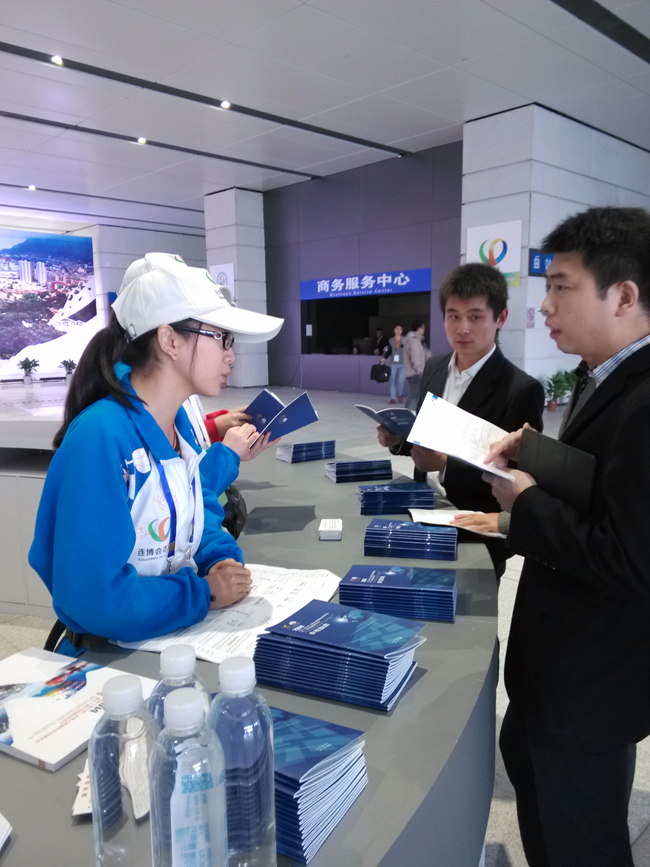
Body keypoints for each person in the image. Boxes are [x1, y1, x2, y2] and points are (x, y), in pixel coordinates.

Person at [484, 206, 650, 867]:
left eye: (561, 287)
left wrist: (525, 502)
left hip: (593, 686)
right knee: (539, 796)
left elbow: (630, 558)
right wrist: (538, 454)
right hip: (559, 671)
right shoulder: (601, 374)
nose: (545, 305)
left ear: (624, 296)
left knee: (581, 840)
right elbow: (605, 486)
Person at [29, 254, 283, 644]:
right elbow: (93, 598)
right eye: (221, 337)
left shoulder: (181, 428)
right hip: (112, 657)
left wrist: (220, 559)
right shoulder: (101, 438)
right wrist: (202, 593)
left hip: (170, 642)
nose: (231, 354)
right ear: (169, 341)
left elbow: (197, 511)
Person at [377, 264, 544, 521]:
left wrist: (445, 465)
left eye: (475, 317)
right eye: (453, 316)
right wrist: (398, 440)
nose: (462, 328)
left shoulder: (520, 389)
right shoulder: (434, 367)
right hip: (422, 503)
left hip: (474, 521)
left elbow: (516, 477)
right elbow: (426, 442)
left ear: (501, 318)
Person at [402, 320, 427, 410]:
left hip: (411, 372)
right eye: (423, 328)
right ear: (419, 329)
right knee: (414, 395)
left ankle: (409, 413)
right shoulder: (414, 341)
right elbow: (415, 357)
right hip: (415, 373)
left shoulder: (412, 340)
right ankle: (409, 413)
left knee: (414, 394)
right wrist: (420, 371)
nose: (424, 330)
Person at [384, 323, 405, 404]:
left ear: (402, 331)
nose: (398, 331)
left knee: (401, 381)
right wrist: (384, 358)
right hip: (393, 363)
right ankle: (392, 398)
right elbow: (389, 350)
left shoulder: (405, 340)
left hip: (403, 363)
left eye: (400, 329)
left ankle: (399, 394)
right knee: (392, 380)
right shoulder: (391, 340)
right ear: (394, 330)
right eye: (397, 329)